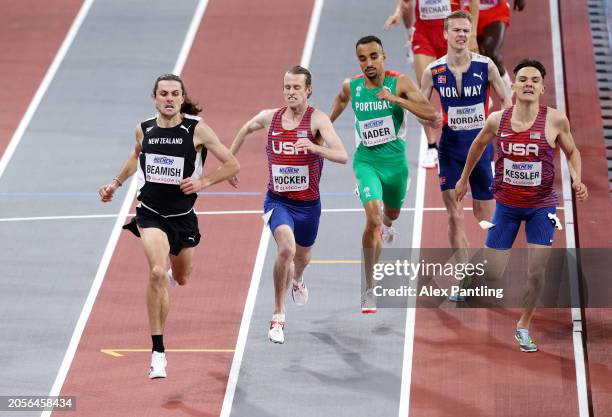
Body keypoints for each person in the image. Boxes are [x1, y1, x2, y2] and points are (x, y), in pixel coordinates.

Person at [98, 74, 240, 377]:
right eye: (163, 93)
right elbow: (136, 157)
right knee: (157, 272)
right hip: (150, 213)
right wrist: (115, 184)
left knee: (183, 277)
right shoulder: (144, 128)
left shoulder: (196, 129)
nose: (169, 98)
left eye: (175, 93)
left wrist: (203, 181)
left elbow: (232, 164)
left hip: (182, 217)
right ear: (155, 98)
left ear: (182, 97)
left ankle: (174, 276)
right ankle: (158, 352)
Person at [455, 58, 588, 352]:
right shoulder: (497, 120)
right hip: (507, 207)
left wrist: (577, 177)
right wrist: (464, 178)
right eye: (523, 79)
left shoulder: (555, 120)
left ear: (542, 87)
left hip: (542, 207)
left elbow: (572, 151)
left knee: (537, 272)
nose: (529, 84)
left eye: (535, 80)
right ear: (513, 85)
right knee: (492, 271)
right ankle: (469, 280)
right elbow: (477, 146)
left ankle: (523, 326)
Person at [229, 66, 348, 344]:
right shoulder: (270, 118)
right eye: (287, 87)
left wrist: (314, 147)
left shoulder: (317, 120)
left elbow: (342, 155)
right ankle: (278, 315)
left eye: (296, 87)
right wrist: (230, 161)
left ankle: (299, 279)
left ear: (308, 90)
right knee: (286, 249)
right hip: (278, 201)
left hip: (308, 207)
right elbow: (246, 129)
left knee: (302, 259)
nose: (290, 92)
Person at [330, 35, 437, 313]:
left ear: (384, 56)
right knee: (373, 219)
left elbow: (429, 111)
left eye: (373, 56)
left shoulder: (399, 83)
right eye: (362, 58)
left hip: (396, 165)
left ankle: (389, 224)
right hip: (366, 161)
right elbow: (342, 99)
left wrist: (395, 100)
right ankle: (369, 288)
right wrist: (324, 126)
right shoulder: (351, 86)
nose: (368, 63)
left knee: (391, 216)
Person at [420, 10, 511, 264]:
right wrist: (428, 120)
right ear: (445, 33)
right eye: (456, 30)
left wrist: (499, 126)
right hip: (450, 150)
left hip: (481, 148)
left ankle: (493, 259)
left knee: (484, 215)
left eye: (465, 30)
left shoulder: (485, 65)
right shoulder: (433, 71)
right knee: (454, 214)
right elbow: (419, 106)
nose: (461, 35)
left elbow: (506, 98)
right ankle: (463, 270)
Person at [385, 0, 480, 169]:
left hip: (452, 34)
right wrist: (398, 13)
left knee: (458, 91)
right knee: (422, 92)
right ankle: (431, 146)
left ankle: (462, 138)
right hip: (424, 35)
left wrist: (471, 34)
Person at [465, 0, 526, 98]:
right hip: (469, 12)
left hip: (495, 11)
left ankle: (507, 87)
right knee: (474, 57)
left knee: (491, 50)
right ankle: (482, 96)